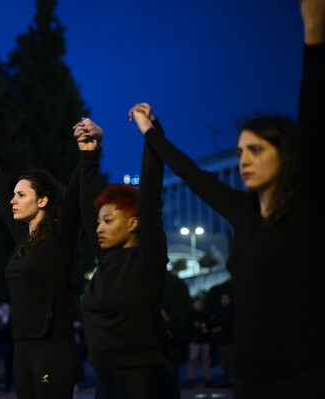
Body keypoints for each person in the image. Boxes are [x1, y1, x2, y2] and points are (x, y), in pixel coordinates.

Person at [135, 2, 325, 396]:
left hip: (303, 377)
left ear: (286, 154)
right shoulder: (243, 211)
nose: (244, 160)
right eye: (240, 152)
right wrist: (152, 133)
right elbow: (192, 174)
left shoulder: (307, 206)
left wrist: (313, 32)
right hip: (247, 379)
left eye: (256, 150)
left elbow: (313, 113)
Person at [73, 114, 179, 399]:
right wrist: (89, 153)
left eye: (108, 220)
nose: (100, 227)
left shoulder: (148, 257)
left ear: (134, 222)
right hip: (106, 382)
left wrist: (151, 132)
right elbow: (87, 208)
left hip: (144, 382)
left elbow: (151, 195)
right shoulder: (106, 259)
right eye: (99, 222)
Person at [0, 139, 80, 399]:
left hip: (51, 345)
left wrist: (89, 153)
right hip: (20, 345)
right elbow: (3, 204)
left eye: (21, 195)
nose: (13, 200)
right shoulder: (24, 240)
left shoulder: (58, 238)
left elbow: (73, 198)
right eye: (14, 194)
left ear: (42, 201)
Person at [183, 298, 212, 388]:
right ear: (194, 305)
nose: (198, 305)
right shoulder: (190, 315)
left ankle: (208, 380)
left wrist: (201, 326)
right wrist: (201, 325)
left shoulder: (205, 315)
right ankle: (190, 379)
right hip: (194, 341)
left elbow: (208, 325)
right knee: (193, 360)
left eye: (200, 303)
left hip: (205, 341)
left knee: (206, 360)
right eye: (197, 303)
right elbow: (190, 325)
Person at [211, 293, 234, 388]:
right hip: (221, 340)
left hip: (230, 340)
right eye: (222, 298)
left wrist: (222, 327)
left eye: (225, 298)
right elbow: (214, 321)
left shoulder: (232, 310)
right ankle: (227, 380)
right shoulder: (219, 311)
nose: (223, 300)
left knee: (231, 360)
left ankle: (235, 380)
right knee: (224, 362)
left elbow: (232, 323)